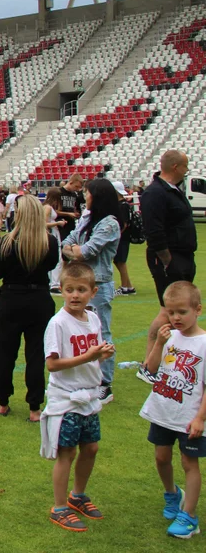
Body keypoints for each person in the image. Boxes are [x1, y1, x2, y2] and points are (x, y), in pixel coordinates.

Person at [40, 261, 115, 533]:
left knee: (91, 448)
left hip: (89, 397)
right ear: (60, 289)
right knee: (66, 453)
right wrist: (89, 356)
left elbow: (92, 352)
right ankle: (59, 508)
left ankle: (77, 495)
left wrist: (101, 353)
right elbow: (52, 364)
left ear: (93, 292)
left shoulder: (93, 318)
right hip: (67, 398)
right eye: (69, 289)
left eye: (81, 290)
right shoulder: (58, 323)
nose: (74, 295)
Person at [139, 281, 206, 539]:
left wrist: (200, 417)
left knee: (190, 463)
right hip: (163, 411)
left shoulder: (203, 343)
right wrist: (158, 343)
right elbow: (151, 369)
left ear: (197, 309)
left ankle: (189, 516)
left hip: (190, 417)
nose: (176, 317)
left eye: (182, 312)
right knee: (161, 458)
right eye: (170, 312)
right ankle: (172, 495)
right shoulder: (169, 336)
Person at [0, 195, 60, 420]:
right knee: (36, 354)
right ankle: (34, 408)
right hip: (39, 299)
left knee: (5, 352)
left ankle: (3, 401)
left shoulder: (6, 243)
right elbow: (51, 265)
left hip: (11, 298)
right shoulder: (48, 242)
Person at [62, 178, 123, 405]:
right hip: (80, 281)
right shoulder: (88, 219)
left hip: (99, 284)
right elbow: (67, 243)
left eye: (87, 193)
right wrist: (73, 250)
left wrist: (75, 251)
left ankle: (104, 384)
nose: (84, 197)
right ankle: (81, 377)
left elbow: (85, 252)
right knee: (76, 331)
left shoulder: (109, 223)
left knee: (101, 332)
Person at [141, 150, 198, 375]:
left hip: (181, 256)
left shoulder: (172, 191)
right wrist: (167, 260)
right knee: (168, 311)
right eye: (185, 167)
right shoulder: (155, 193)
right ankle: (149, 363)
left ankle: (168, 358)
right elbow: (153, 230)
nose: (186, 171)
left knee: (173, 309)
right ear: (175, 167)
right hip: (168, 257)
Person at [112, 181, 137, 297]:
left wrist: (116, 235)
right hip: (122, 237)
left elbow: (124, 224)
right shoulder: (122, 204)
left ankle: (125, 286)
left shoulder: (122, 205)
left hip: (122, 238)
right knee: (119, 261)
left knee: (120, 262)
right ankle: (128, 286)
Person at [44, 187, 68, 293]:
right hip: (52, 233)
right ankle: (54, 283)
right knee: (57, 259)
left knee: (56, 258)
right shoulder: (48, 207)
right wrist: (58, 223)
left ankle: (52, 282)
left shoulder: (48, 206)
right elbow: (44, 223)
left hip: (53, 232)